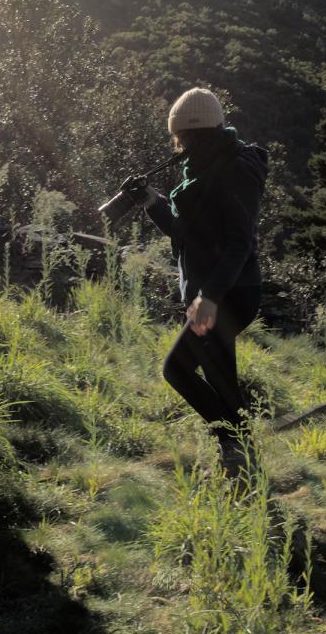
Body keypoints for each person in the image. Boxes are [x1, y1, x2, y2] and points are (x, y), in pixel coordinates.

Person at [125, 88, 267, 475]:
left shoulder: (237, 170)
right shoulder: (201, 173)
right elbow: (185, 234)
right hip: (215, 292)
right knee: (222, 380)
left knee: (177, 370)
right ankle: (241, 462)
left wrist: (209, 298)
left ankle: (232, 445)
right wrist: (152, 202)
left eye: (183, 138)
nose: (178, 146)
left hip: (230, 294)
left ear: (198, 136)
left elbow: (240, 244)